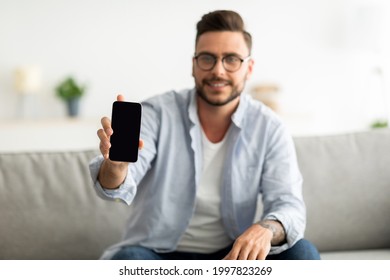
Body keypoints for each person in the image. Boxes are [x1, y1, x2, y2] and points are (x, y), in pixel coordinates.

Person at [89, 10, 320, 260]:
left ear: (249, 68)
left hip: (233, 256)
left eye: (231, 59)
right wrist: (116, 167)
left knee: (302, 253)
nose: (218, 71)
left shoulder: (270, 127)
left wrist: (265, 229)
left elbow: (289, 205)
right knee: (128, 259)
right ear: (194, 65)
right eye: (208, 58)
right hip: (158, 253)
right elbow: (114, 187)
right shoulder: (156, 113)